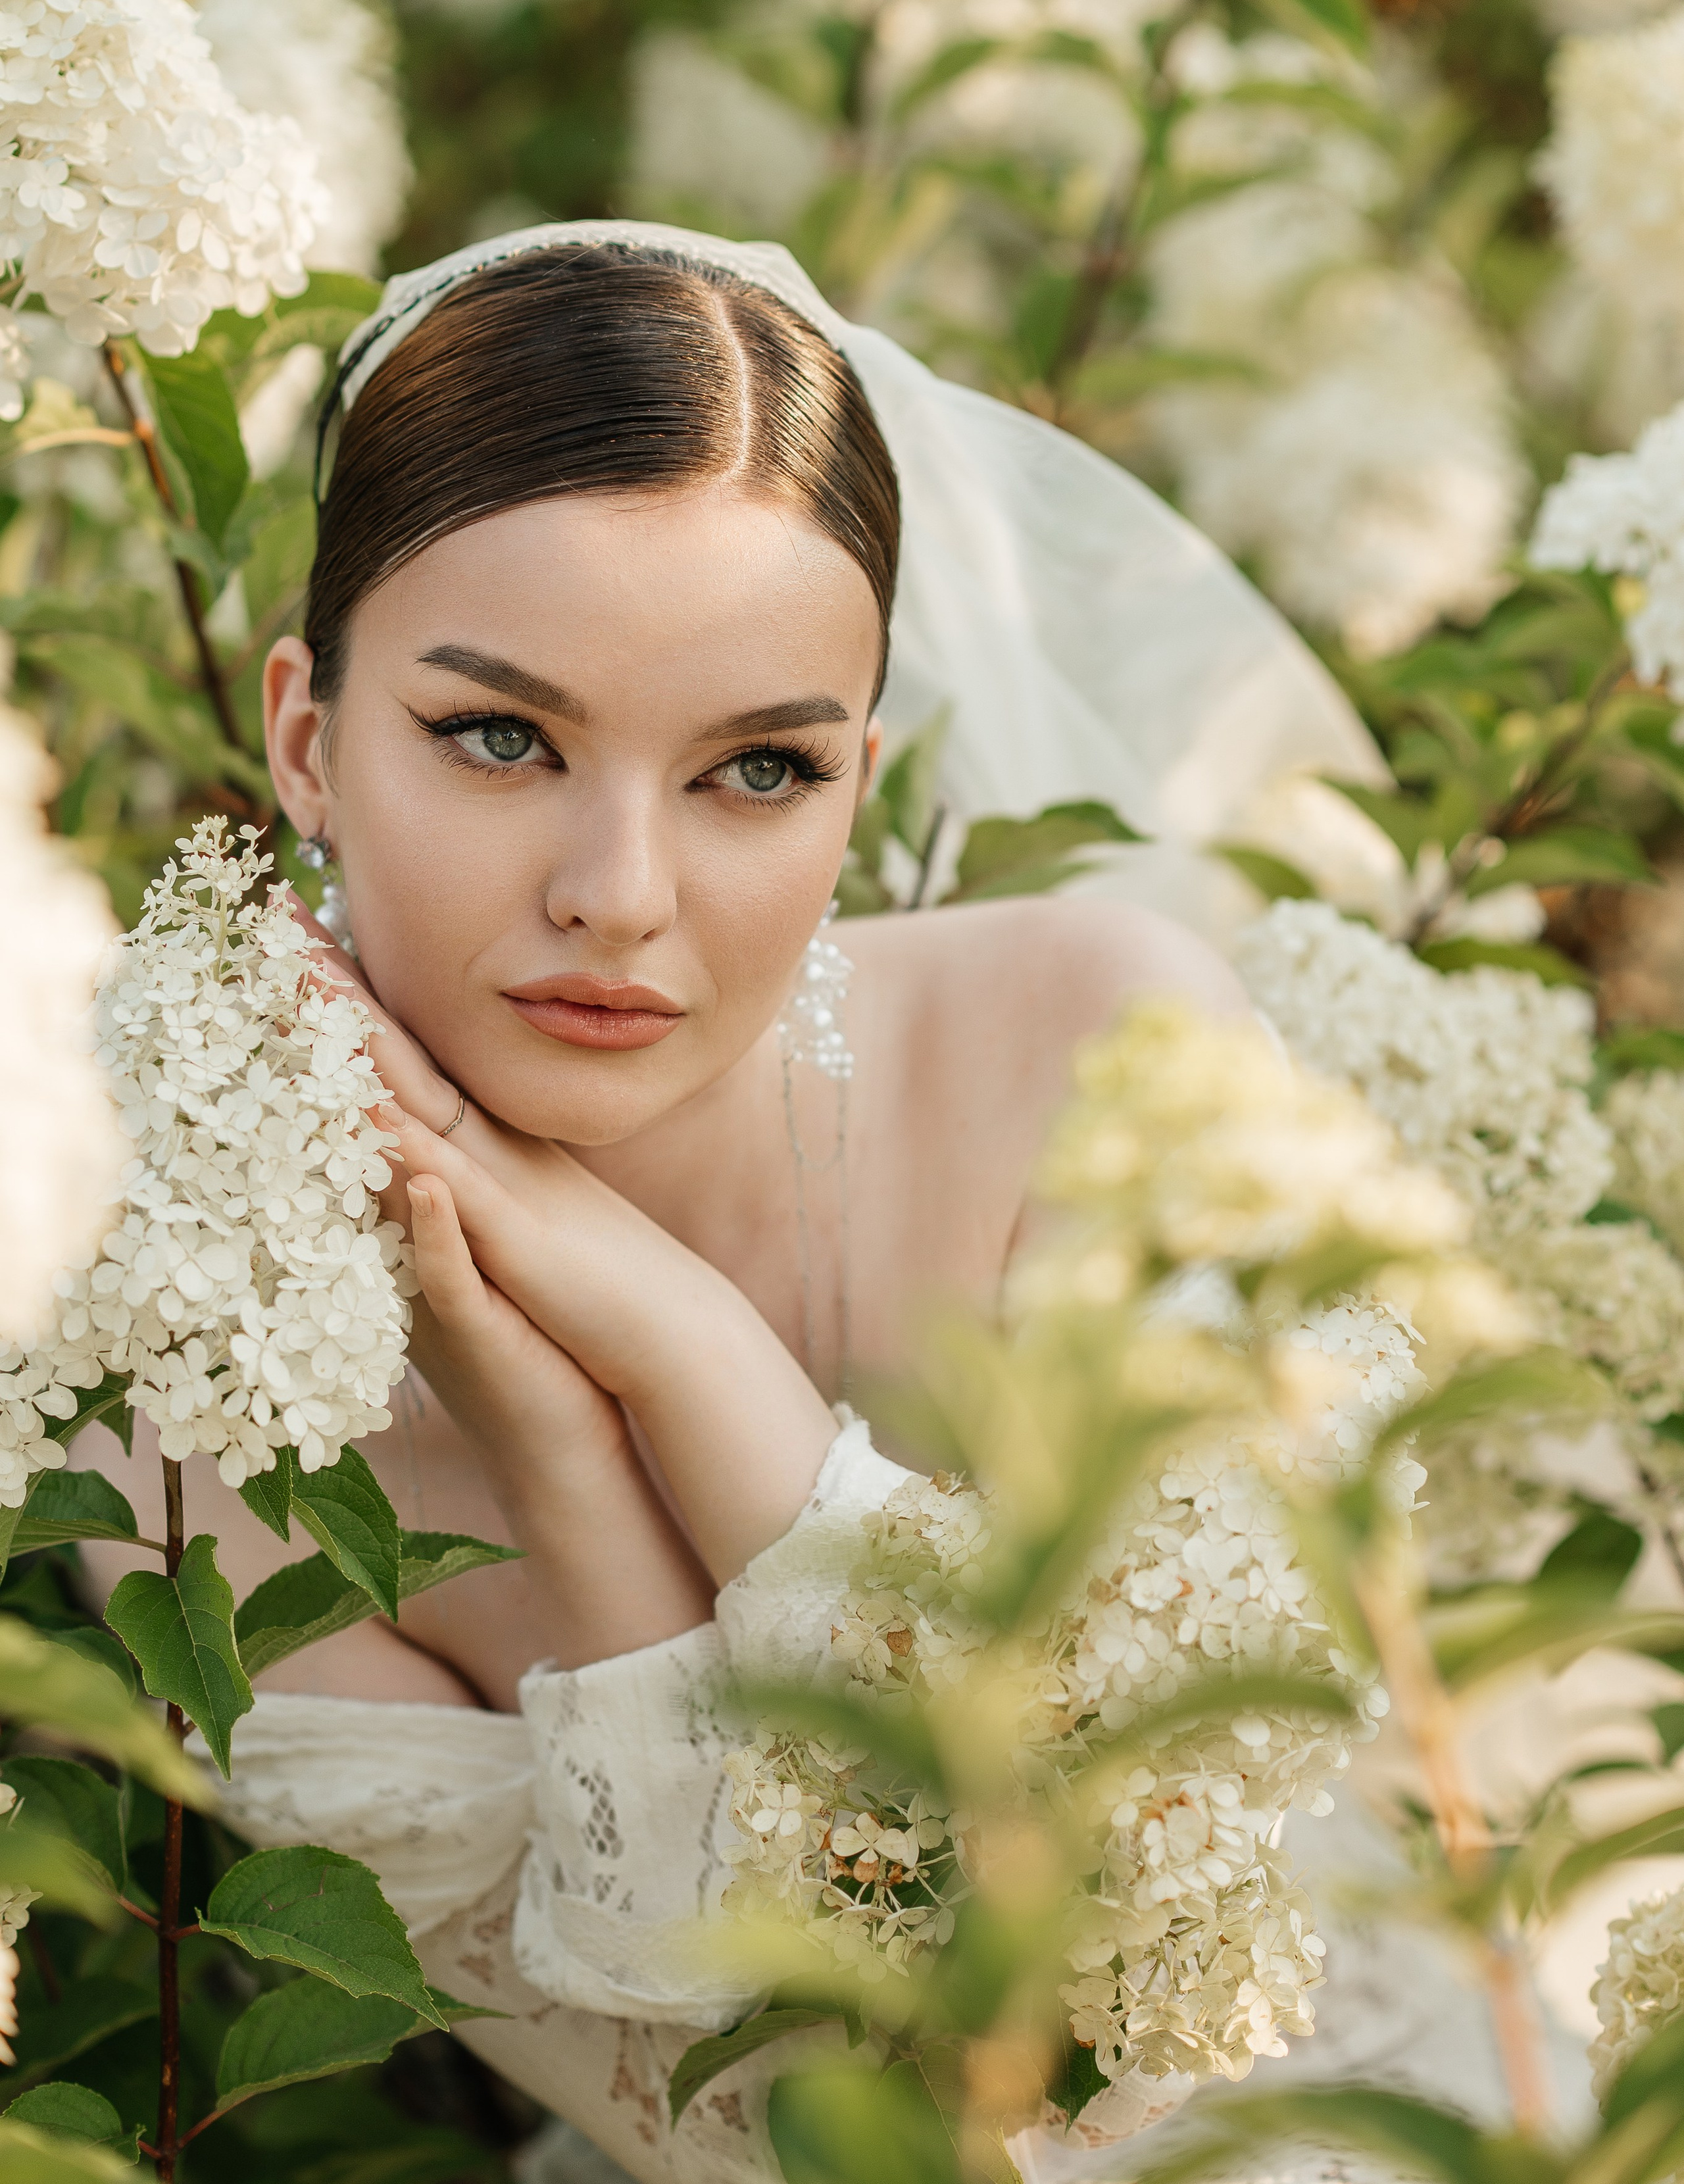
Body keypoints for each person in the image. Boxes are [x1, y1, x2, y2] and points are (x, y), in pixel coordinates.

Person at [74, 224, 1391, 2183]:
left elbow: (1113, 2067)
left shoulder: (1105, 1065)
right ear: (304, 740)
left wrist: (677, 1346)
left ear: (861, 785)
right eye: (500, 736)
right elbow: (793, 2142)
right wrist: (570, 1472)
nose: (620, 890)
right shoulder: (181, 1397)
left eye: (755, 771)